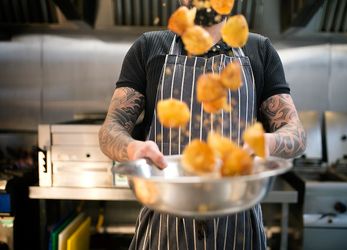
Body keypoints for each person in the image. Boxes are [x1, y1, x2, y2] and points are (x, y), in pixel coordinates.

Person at [99, 1, 306, 249]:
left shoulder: (258, 49)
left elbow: (296, 133)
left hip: (239, 226)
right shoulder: (150, 47)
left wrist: (267, 142)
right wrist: (133, 149)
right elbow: (111, 128)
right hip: (164, 225)